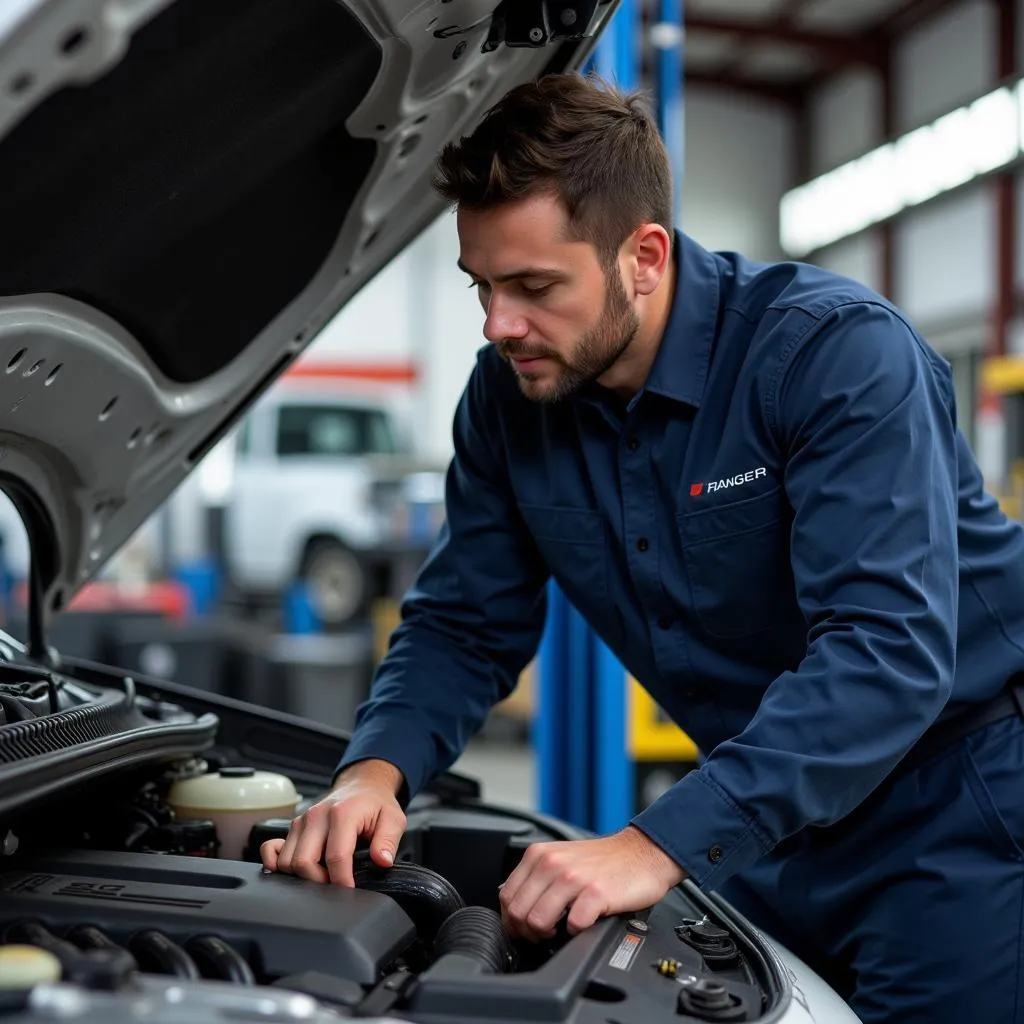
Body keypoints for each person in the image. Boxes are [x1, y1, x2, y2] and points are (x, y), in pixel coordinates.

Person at [261, 73, 1024, 1024]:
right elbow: (464, 623)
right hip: (759, 814)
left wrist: (653, 846)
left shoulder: (833, 358)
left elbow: (886, 652)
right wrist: (376, 770)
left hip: (951, 803)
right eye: (483, 287)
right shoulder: (506, 402)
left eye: (535, 287)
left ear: (645, 256)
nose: (500, 325)